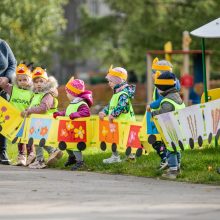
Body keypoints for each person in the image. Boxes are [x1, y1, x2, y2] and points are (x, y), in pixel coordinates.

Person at [21, 66, 63, 169]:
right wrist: (28, 110)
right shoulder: (36, 94)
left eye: (41, 81)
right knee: (38, 141)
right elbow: (35, 106)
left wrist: (29, 111)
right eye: (36, 82)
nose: (39, 84)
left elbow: (43, 108)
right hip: (38, 122)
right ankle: (52, 151)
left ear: (47, 82)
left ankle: (40, 160)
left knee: (37, 140)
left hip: (45, 121)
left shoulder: (47, 94)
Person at [146, 57, 181, 170]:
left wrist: (151, 107)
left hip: (165, 119)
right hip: (170, 120)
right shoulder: (171, 86)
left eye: (154, 72)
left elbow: (162, 102)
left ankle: (170, 164)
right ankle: (174, 163)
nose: (152, 75)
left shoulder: (163, 87)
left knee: (162, 142)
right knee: (172, 145)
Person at [151, 71, 185, 179]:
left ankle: (172, 171)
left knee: (171, 150)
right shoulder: (176, 96)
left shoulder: (167, 101)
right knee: (176, 149)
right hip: (179, 127)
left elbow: (163, 113)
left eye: (159, 88)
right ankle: (178, 167)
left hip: (171, 129)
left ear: (163, 88)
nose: (158, 90)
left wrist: (153, 113)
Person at [53, 77, 93, 170]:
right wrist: (60, 113)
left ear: (73, 93)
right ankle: (72, 158)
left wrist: (76, 114)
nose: (66, 94)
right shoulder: (73, 103)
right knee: (66, 144)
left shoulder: (82, 103)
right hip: (69, 129)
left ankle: (80, 161)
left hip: (77, 130)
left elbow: (86, 113)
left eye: (67, 92)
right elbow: (67, 112)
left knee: (75, 146)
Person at [98, 65, 136, 164]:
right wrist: (104, 111)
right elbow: (111, 105)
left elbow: (122, 106)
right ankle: (117, 156)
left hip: (124, 122)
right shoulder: (117, 93)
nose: (109, 83)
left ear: (118, 81)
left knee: (125, 140)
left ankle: (129, 156)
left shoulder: (123, 94)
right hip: (117, 122)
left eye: (111, 81)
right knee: (114, 139)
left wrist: (113, 115)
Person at [0, 62, 35, 166]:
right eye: (19, 80)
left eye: (25, 79)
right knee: (20, 139)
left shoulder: (32, 92)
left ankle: (31, 155)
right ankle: (21, 156)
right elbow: (3, 84)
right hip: (17, 119)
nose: (22, 82)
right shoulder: (13, 89)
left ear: (30, 80)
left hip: (28, 118)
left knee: (28, 138)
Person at [0, 39, 17, 165]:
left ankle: (2, 152)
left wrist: (7, 77)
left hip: (1, 90)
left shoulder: (2, 44)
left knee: (2, 121)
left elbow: (12, 64)